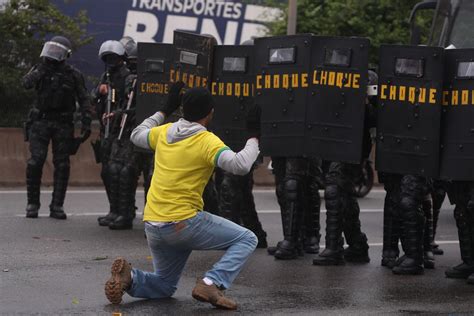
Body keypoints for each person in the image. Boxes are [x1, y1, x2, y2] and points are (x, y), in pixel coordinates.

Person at [104, 86, 259, 309]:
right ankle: (211, 282)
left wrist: (164, 110)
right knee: (247, 239)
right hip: (184, 224)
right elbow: (241, 164)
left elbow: (136, 135)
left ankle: (130, 278)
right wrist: (254, 135)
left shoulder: (165, 132)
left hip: (154, 225)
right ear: (210, 113)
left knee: (165, 285)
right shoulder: (207, 141)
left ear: (182, 110)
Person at [22, 35, 91, 219]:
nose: (52, 54)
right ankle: (32, 204)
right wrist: (41, 69)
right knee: (35, 161)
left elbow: (84, 99)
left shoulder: (73, 74)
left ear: (65, 54)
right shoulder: (40, 68)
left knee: (62, 165)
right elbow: (26, 83)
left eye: (57, 51)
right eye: (51, 49)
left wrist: (86, 123)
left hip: (63, 124)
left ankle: (57, 206)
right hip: (40, 122)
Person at [91, 40, 131, 227]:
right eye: (108, 58)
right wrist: (100, 91)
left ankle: (124, 211)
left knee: (118, 172)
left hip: (119, 129)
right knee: (106, 172)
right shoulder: (105, 76)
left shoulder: (127, 76)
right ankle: (113, 209)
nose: (111, 61)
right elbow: (92, 97)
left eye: (113, 57)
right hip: (106, 130)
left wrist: (116, 113)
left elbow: (128, 103)